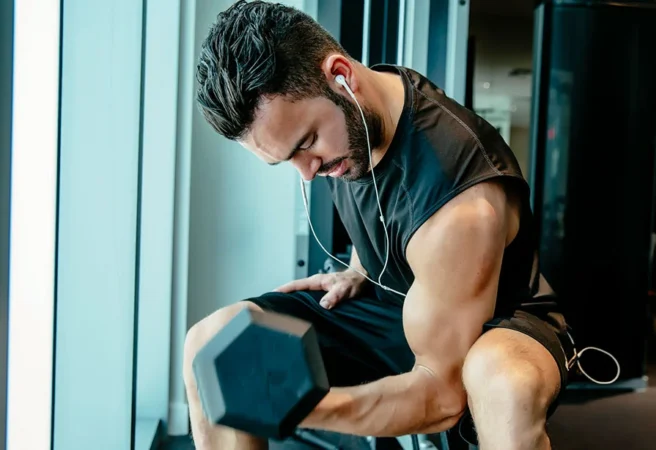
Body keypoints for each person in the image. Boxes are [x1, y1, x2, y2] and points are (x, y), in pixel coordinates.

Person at [184, 1, 573, 449]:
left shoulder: (460, 202)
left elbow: (442, 397)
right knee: (214, 343)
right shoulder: (363, 112)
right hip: (401, 302)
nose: (307, 172)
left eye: (307, 143)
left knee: (504, 384)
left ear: (341, 75)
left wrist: (300, 405)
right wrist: (359, 268)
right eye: (287, 159)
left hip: (492, 324)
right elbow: (385, 203)